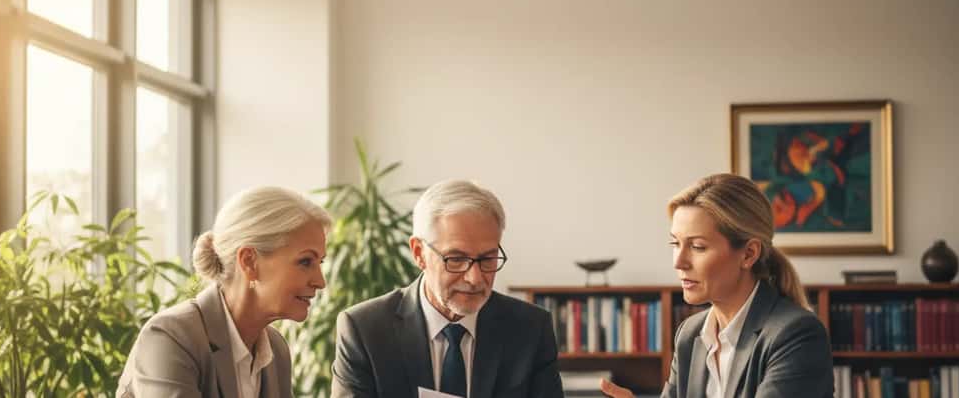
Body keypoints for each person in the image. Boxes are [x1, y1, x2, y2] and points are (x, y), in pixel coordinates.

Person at [601, 173, 834, 398]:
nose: (678, 262)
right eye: (675, 243)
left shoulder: (796, 335)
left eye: (698, 246)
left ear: (748, 254)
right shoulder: (689, 334)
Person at [330, 180, 564, 398]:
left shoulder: (530, 329)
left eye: (487, 259)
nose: (474, 278)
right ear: (419, 253)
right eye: (456, 259)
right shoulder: (365, 330)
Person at [116, 186, 331, 398]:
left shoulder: (276, 350)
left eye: (320, 262)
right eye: (305, 261)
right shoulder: (172, 337)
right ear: (249, 262)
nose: (321, 282)